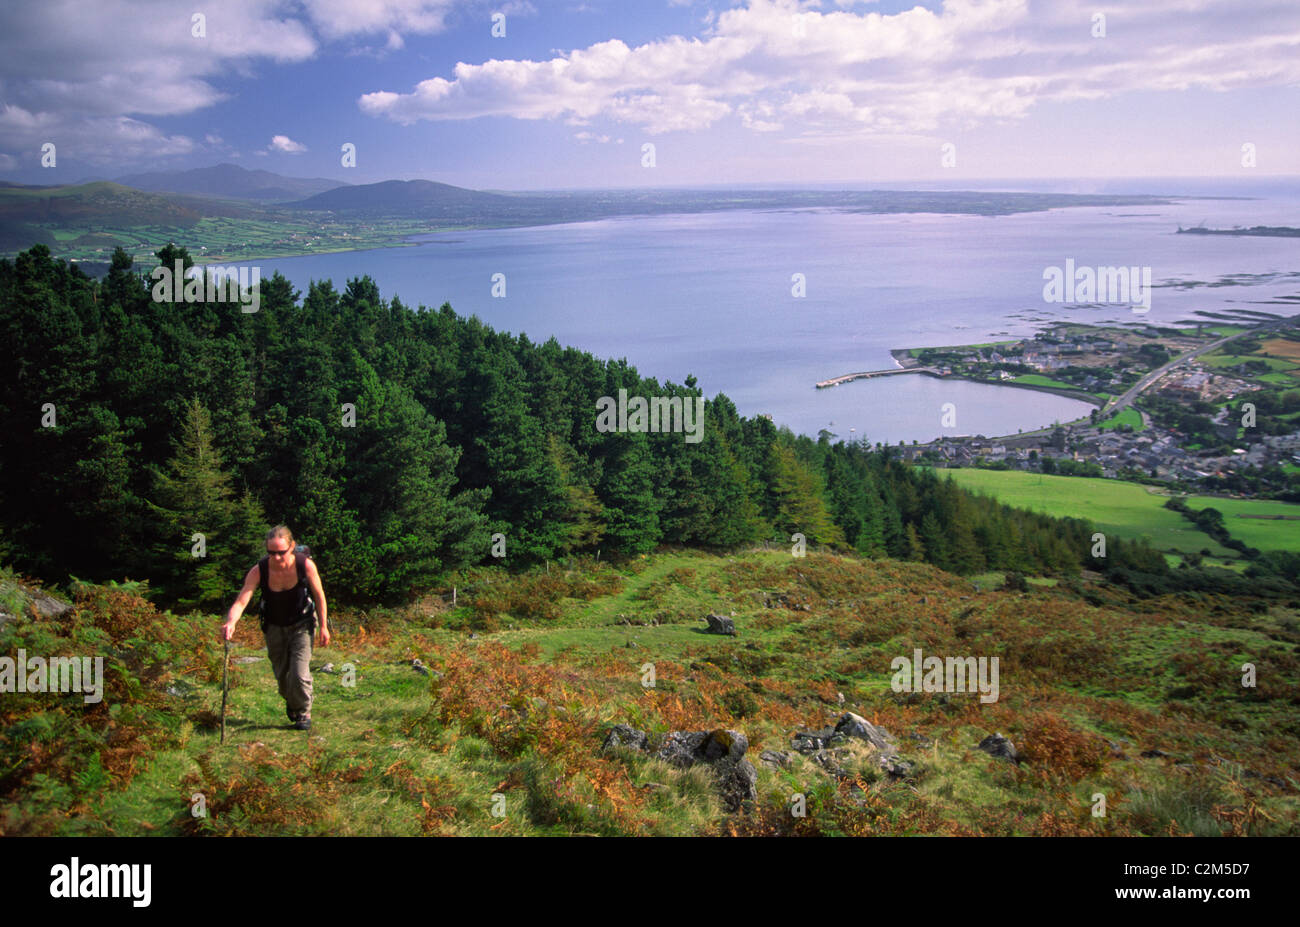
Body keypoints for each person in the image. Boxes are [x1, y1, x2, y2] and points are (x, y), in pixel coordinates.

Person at [221, 525, 330, 731]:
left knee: (299, 673)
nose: (277, 557)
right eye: (271, 553)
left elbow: (319, 596)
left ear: (292, 547)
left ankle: (303, 712)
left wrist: (324, 626)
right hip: (273, 626)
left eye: (281, 552)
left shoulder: (305, 565)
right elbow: (242, 600)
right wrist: (231, 622)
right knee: (282, 677)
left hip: (302, 623)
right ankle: (293, 702)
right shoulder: (259, 570)